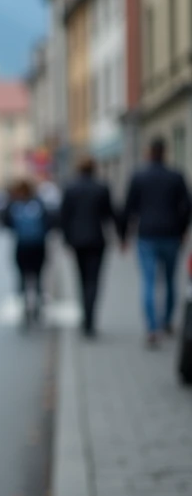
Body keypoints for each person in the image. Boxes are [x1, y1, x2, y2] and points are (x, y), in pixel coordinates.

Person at [119, 136, 192, 347]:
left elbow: (128, 208)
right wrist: (183, 229)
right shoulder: (176, 176)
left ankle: (152, 328)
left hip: (147, 235)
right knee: (170, 280)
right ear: (165, 152)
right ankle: (167, 321)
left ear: (149, 152)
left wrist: (123, 236)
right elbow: (187, 206)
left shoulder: (139, 177)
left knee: (149, 282)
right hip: (171, 234)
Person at [59, 157, 117, 337]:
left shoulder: (70, 188)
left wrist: (66, 240)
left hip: (77, 241)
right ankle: (90, 321)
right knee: (94, 281)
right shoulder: (101, 187)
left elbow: (64, 216)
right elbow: (110, 214)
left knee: (81, 279)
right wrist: (122, 236)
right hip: (96, 239)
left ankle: (85, 318)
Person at [1, 178, 53, 317]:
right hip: (38, 245)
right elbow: (49, 222)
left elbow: (5, 222)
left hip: (22, 245)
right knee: (38, 275)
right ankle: (37, 304)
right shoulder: (38, 203)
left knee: (23, 275)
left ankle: (25, 303)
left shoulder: (14, 204)